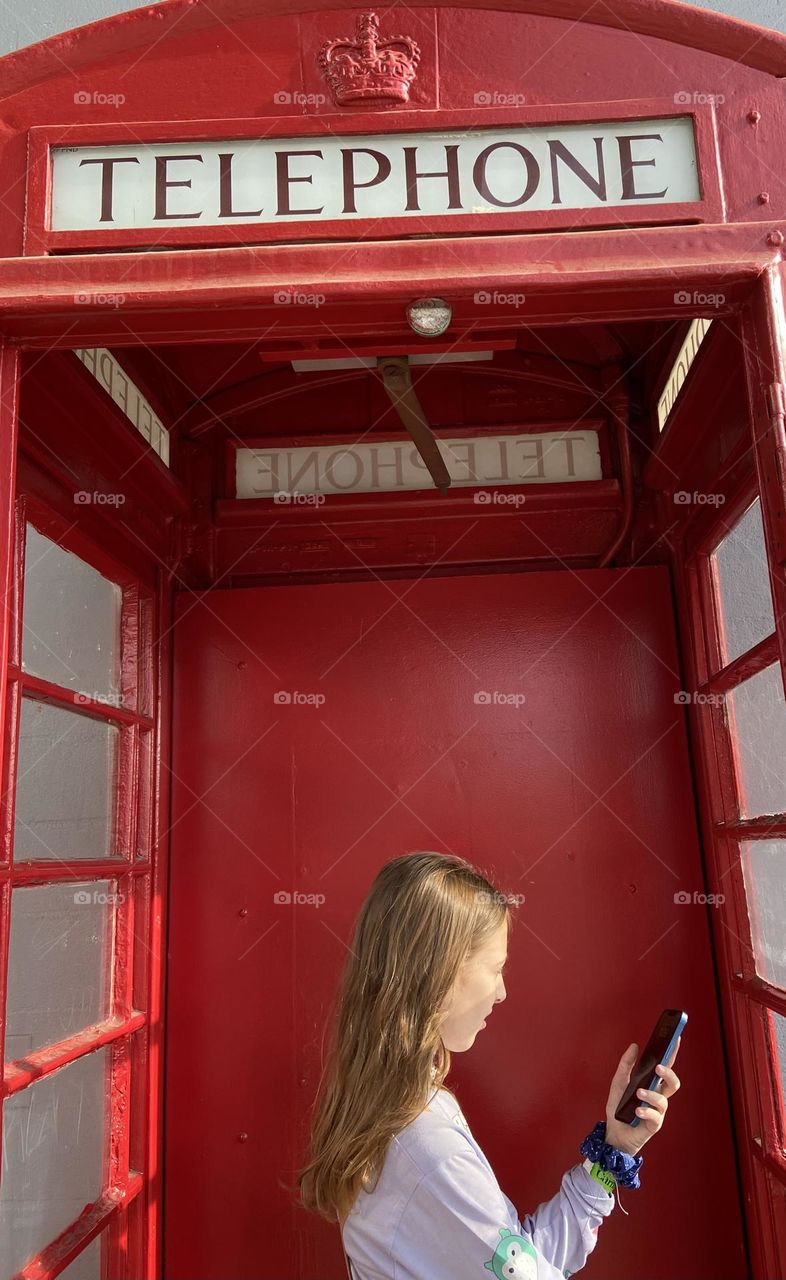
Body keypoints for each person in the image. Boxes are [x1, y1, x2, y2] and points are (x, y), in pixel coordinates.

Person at [296, 852, 681, 1279]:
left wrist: (614, 1150)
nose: (501, 992)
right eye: (495, 968)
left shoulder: (399, 1109)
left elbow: (517, 1260)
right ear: (438, 974)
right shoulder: (429, 1146)